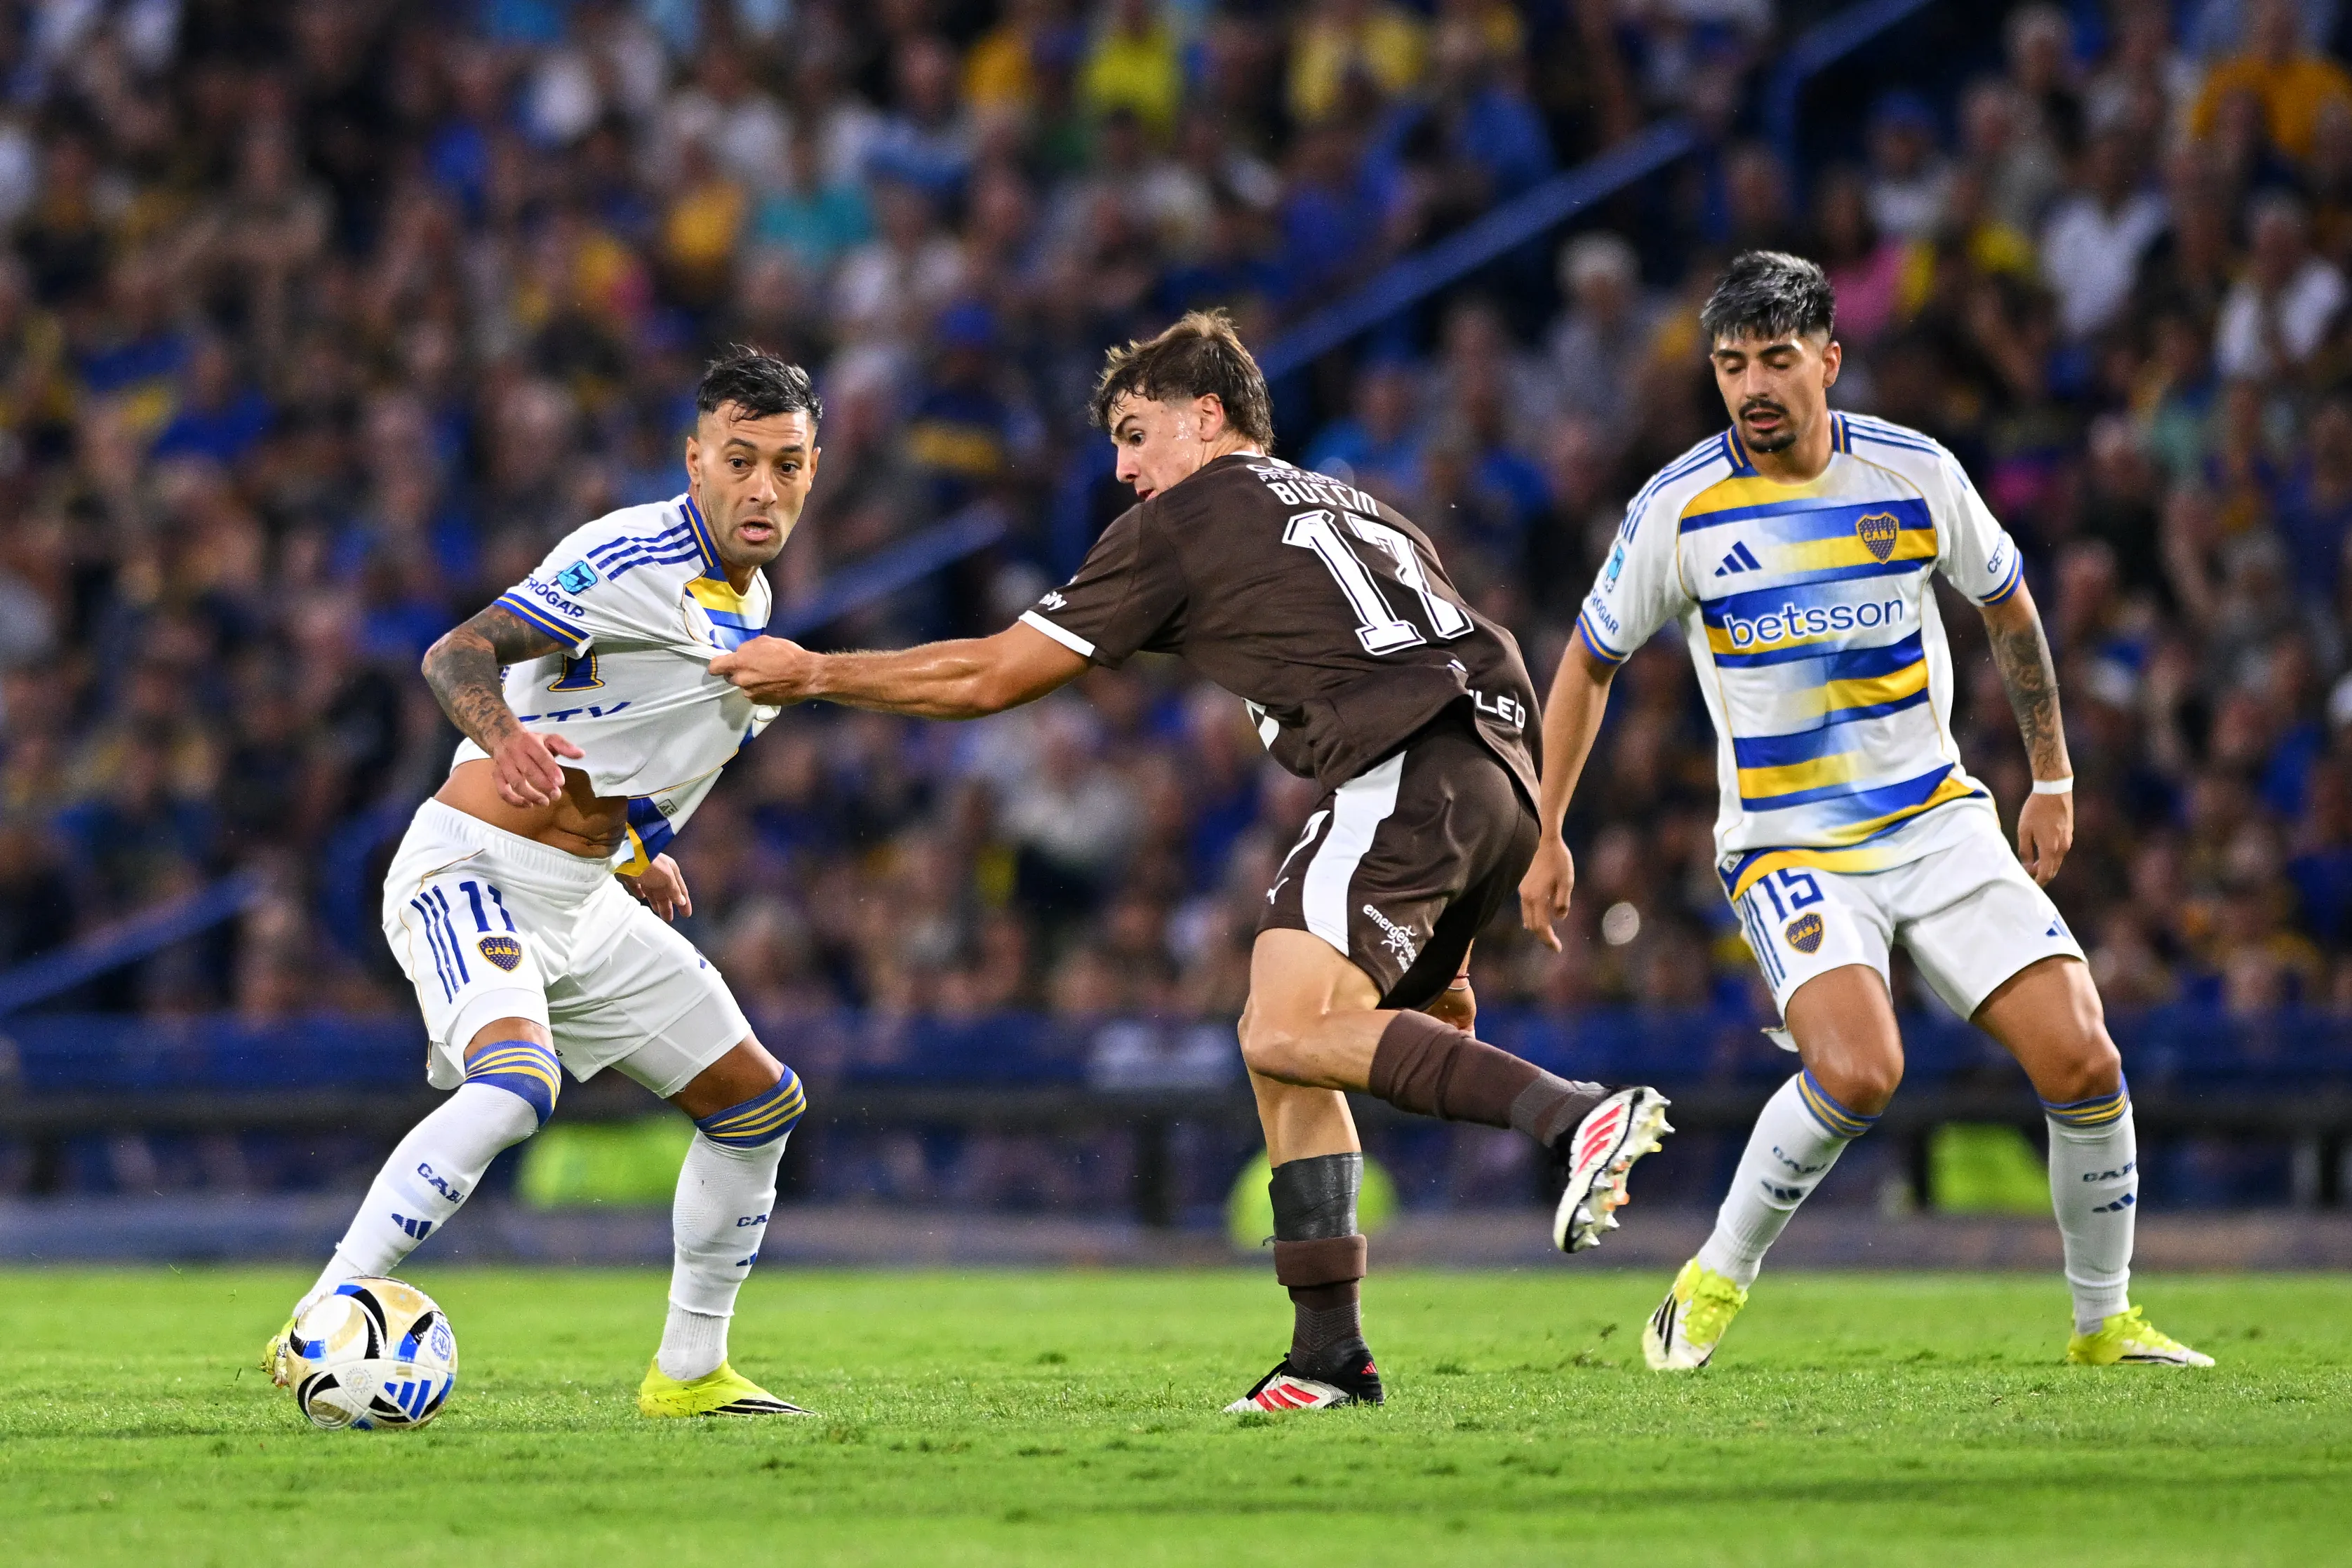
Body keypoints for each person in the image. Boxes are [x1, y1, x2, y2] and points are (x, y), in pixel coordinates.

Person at [711, 311, 1672, 1412]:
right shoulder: (1358, 500)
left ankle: (1570, 1114)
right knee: (1287, 1047)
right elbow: (1465, 646)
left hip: (1407, 771)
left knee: (1282, 1027)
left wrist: (816, 672)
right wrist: (1465, 914)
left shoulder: (1188, 519)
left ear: (1206, 418)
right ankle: (1327, 1356)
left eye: (1135, 434)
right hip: (1489, 770)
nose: (1124, 471)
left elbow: (989, 676)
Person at [1519, 252, 2212, 1372]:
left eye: (1777, 361)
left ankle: (2105, 1324)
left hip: (1939, 822)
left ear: (1828, 361)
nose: (1753, 386)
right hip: (1789, 843)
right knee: (1860, 1070)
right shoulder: (1679, 510)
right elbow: (1588, 664)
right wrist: (1548, 829)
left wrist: (2053, 776)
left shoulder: (1915, 473)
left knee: (2084, 1056)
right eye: (1732, 364)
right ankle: (1711, 1280)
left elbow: (2010, 607)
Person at [262, 349, 829, 1418]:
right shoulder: (627, 554)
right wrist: (503, 734)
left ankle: (690, 1373)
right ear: (695, 459)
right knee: (518, 1088)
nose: (763, 487)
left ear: (814, 470)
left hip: (585, 898)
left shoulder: (750, 607)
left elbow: (621, 753)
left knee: (759, 1104)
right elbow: (456, 653)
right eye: (740, 460)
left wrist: (634, 856)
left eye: (787, 465)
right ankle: (321, 1314)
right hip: (471, 868)